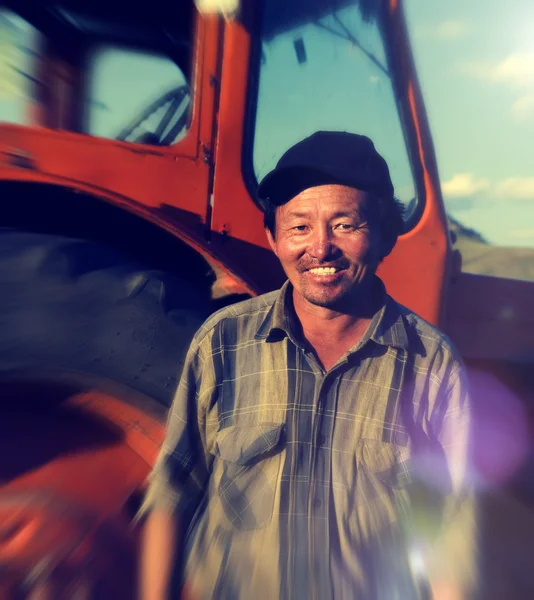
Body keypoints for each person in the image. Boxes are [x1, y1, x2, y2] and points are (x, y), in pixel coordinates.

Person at [139, 131, 477, 600]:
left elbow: (451, 528)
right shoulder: (224, 342)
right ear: (273, 239)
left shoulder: (431, 363)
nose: (320, 248)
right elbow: (172, 493)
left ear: (383, 238)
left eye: (345, 225)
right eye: (299, 227)